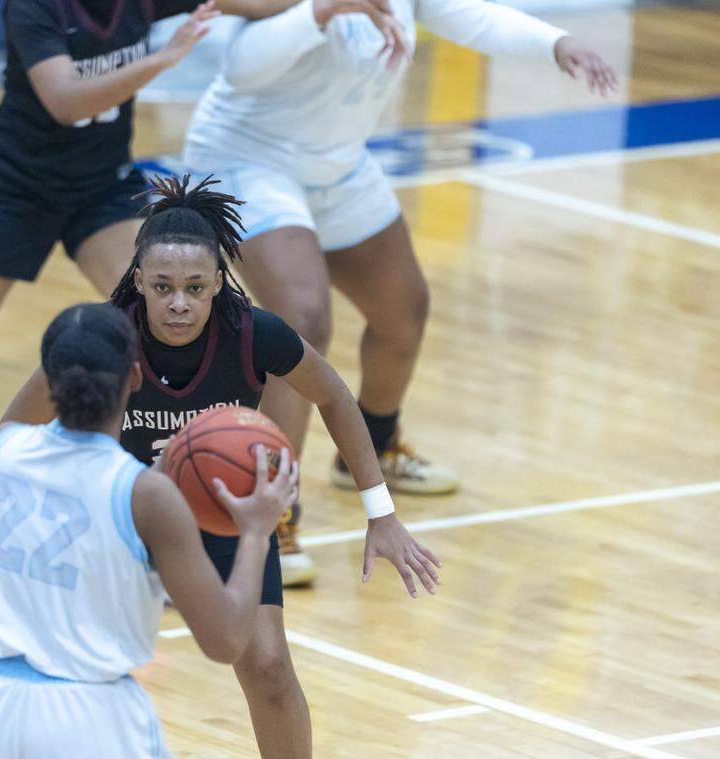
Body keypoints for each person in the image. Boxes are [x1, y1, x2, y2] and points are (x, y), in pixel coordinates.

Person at [0, 0, 408, 570]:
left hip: (100, 188)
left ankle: (165, 516)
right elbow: (65, 100)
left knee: (171, 324)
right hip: (11, 188)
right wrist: (162, 58)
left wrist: (329, 4)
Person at [0, 175, 441, 759]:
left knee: (267, 665)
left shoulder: (253, 333)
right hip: (122, 514)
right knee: (83, 662)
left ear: (218, 281)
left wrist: (380, 512)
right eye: (163, 287)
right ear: (138, 280)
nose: (179, 302)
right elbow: (9, 436)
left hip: (225, 511)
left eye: (195, 286)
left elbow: (336, 396)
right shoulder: (108, 338)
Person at [181, 0, 619, 581]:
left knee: (403, 311)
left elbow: (475, 17)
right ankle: (271, 514)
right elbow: (240, 66)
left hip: (337, 166)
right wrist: (321, 10)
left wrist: (557, 43)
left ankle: (374, 445)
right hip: (247, 158)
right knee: (303, 319)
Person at [0, 302, 298, 758]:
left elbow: (83, 485)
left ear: (50, 383)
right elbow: (227, 640)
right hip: (87, 716)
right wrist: (255, 532)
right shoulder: (145, 496)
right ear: (135, 378)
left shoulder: (3, 450)